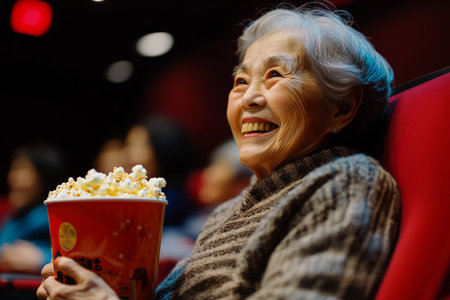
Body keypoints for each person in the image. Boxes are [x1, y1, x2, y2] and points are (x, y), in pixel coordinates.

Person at [37, 3, 401, 299]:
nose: (249, 98)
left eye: (276, 74)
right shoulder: (227, 211)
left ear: (341, 108)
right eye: (241, 81)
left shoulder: (344, 183)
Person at [0, 143, 66, 273]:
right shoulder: (13, 218)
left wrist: (44, 258)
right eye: (12, 169)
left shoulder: (55, 217)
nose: (12, 178)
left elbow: (79, 256)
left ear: (44, 178)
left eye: (22, 169)